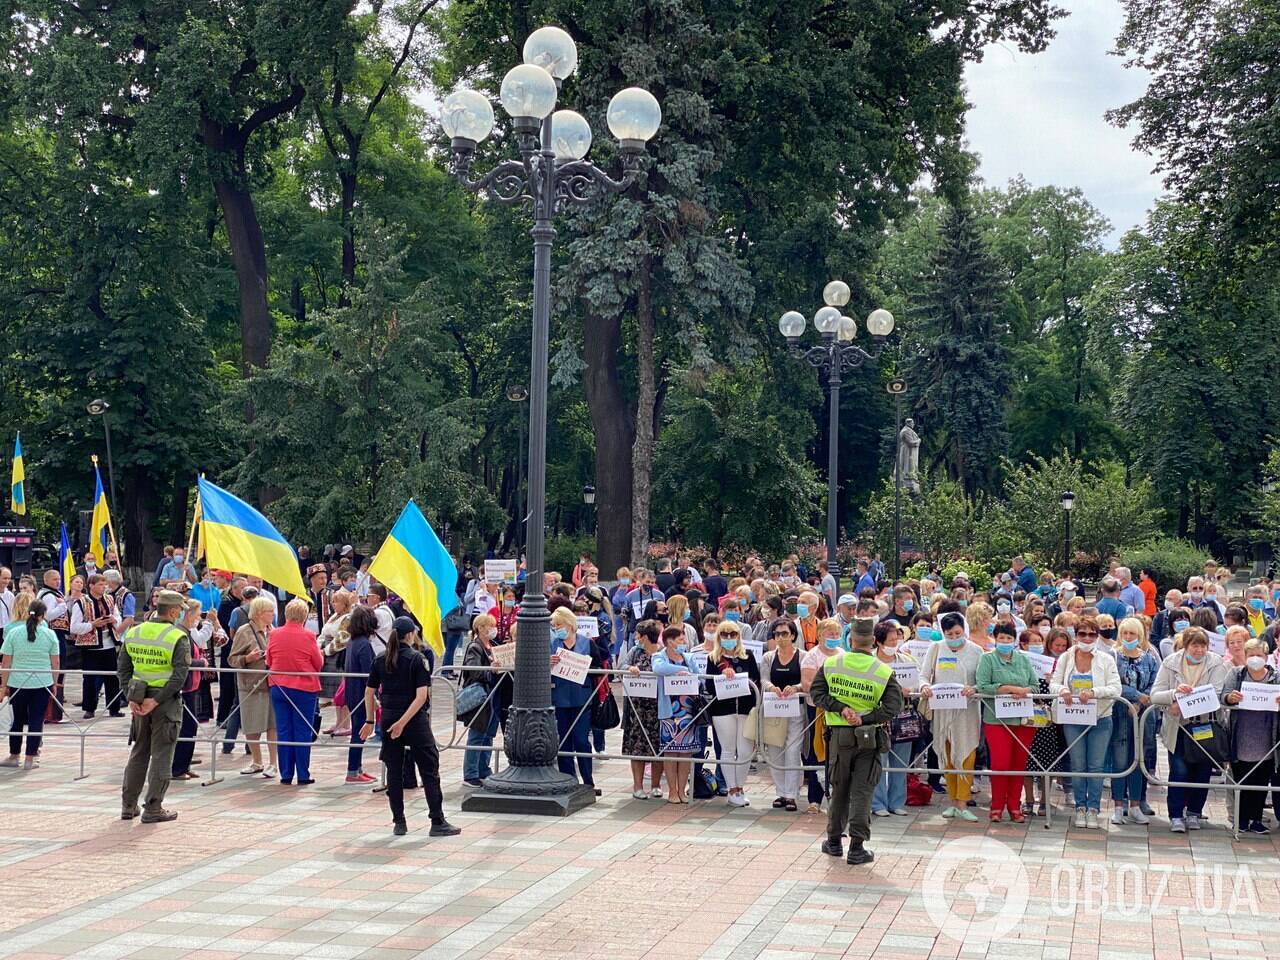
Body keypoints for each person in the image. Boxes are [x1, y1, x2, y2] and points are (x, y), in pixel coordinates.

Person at [811, 616, 904, 865]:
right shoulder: (882, 671)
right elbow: (894, 706)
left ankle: (833, 842)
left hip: (839, 736)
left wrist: (841, 708)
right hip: (869, 736)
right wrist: (865, 718)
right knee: (862, 790)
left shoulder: (831, 663)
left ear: (850, 640)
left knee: (839, 787)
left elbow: (816, 693)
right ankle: (857, 847)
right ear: (874, 641)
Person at [361, 617, 460, 837]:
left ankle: (399, 821)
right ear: (410, 635)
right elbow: (421, 695)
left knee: (394, 771)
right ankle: (437, 820)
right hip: (414, 721)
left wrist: (370, 721)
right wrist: (403, 722)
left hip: (389, 717)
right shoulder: (417, 659)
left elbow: (369, 692)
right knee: (429, 769)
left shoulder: (381, 659)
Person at [117, 590, 192, 822]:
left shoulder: (135, 631)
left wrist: (130, 697)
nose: (180, 614)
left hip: (139, 700)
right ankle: (153, 807)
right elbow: (180, 676)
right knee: (162, 755)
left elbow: (123, 668)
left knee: (139, 752)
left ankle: (128, 806)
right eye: (180, 610)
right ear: (172, 611)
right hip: (165, 702)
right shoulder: (177, 636)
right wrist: (156, 700)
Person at [1151, 626, 1231, 832]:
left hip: (1205, 725)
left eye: (1203, 645)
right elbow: (1156, 694)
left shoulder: (1215, 662)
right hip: (1178, 727)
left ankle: (1195, 812)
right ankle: (1176, 815)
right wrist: (1174, 695)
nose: (1199, 650)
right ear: (1186, 646)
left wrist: (1185, 703)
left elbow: (1215, 692)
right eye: (1195, 645)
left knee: (1202, 770)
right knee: (1179, 770)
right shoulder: (1170, 663)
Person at [1049, 616, 1122, 829]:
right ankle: (1080, 807)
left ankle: (1093, 808)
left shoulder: (1107, 659)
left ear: (1097, 636)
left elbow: (1115, 688)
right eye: (1082, 633)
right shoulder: (1065, 657)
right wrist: (1063, 690)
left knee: (1096, 766)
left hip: (1100, 718)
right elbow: (1054, 682)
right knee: (1078, 764)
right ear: (1076, 635)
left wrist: (1094, 692)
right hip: (1073, 717)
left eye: (1092, 634)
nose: (1087, 638)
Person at [919, 611, 983, 821]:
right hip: (943, 710)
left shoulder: (977, 651)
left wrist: (973, 689)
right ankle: (952, 800)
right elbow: (923, 674)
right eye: (950, 633)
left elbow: (982, 680)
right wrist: (925, 686)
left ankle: (963, 801)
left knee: (966, 754)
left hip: (967, 712)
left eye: (958, 632)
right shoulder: (936, 648)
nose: (954, 637)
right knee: (946, 754)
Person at [976, 621, 1039, 822]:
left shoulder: (1023, 659)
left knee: (1018, 764)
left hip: (1022, 719)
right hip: (997, 720)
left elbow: (1035, 686)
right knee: (1001, 764)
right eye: (1001, 637)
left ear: (1014, 641)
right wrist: (1004, 688)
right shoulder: (987, 659)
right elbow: (983, 686)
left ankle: (1014, 806)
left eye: (1009, 638)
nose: (1005, 641)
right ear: (995, 638)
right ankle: (997, 806)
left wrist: (1025, 691)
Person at [1223, 638, 1280, 834]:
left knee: (1261, 780)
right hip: (1241, 735)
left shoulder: (1275, 677)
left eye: (1259, 655)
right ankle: (1240, 820)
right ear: (1245, 657)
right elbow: (1224, 694)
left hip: (1266, 737)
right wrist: (1230, 698)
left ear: (1266, 657)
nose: (1255, 659)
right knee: (1241, 779)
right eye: (1251, 655)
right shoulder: (1236, 674)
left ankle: (1256, 819)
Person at [265, 598, 323, 785]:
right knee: (302, 731)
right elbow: (318, 663)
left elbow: (269, 659)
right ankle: (303, 774)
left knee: (283, 730)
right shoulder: (308, 636)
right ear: (304, 616)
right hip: (304, 688)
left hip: (278, 686)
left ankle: (286, 773)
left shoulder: (275, 634)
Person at [706, 615, 760, 807]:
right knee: (728, 749)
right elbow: (709, 685)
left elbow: (756, 681)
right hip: (723, 710)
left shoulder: (748, 656)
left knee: (745, 751)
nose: (729, 637)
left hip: (745, 708)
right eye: (724, 634)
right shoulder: (713, 658)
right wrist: (723, 676)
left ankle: (740, 785)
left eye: (733, 634)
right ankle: (732, 788)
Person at [1110, 617, 1159, 824]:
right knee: (1120, 760)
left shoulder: (1149, 659)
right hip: (1120, 713)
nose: (1129, 637)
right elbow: (1114, 683)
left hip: (1143, 715)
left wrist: (1142, 701)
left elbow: (1155, 684)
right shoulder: (1113, 657)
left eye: (1133, 634)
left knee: (1139, 760)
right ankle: (1118, 806)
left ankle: (1136, 805)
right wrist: (1135, 696)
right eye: (1125, 633)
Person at [0, 597, 59, 769]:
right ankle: (30, 758)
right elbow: (55, 663)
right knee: (36, 719)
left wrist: (4, 685)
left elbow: (6, 662)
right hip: (42, 682)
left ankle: (14, 755)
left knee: (17, 719)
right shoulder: (49, 634)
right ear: (44, 615)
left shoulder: (14, 633)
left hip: (18, 682)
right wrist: (54, 683)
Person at [550, 606, 600, 795]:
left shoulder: (587, 643)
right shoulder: (553, 644)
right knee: (563, 741)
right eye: (554, 626)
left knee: (582, 740)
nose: (557, 629)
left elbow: (599, 665)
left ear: (569, 623)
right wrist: (549, 662)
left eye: (559, 625)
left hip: (582, 697)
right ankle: (568, 779)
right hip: (560, 697)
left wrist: (585, 665)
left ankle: (588, 782)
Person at [229, 596, 279, 778]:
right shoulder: (244, 631)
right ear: (259, 613)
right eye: (269, 611)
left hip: (270, 685)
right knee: (251, 725)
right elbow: (232, 659)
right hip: (250, 685)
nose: (273, 614)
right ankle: (257, 761)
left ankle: (273, 763)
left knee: (272, 725)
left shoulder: (273, 631)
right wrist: (247, 659)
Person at [869, 620, 915, 818]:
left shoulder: (906, 660)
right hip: (877, 716)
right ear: (878, 642)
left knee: (900, 761)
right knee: (878, 760)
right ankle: (877, 802)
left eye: (897, 639)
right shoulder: (870, 660)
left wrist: (911, 690)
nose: (894, 644)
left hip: (903, 715)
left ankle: (897, 801)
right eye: (890, 640)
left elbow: (916, 681)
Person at [761, 618, 806, 812]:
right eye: (777, 634)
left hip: (796, 708)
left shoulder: (803, 656)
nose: (781, 637)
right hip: (774, 708)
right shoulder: (769, 657)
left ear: (793, 635)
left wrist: (796, 687)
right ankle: (780, 792)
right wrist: (771, 687)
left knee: (793, 749)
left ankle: (791, 794)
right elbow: (763, 678)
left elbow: (808, 680)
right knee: (775, 749)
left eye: (785, 633)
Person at [651, 624, 698, 803]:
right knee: (670, 752)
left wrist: (688, 672)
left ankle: (682, 789)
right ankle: (672, 790)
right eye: (680, 639)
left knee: (685, 753)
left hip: (687, 711)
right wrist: (680, 671)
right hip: (669, 711)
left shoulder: (689, 657)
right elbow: (658, 669)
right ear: (670, 642)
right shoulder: (659, 656)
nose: (683, 642)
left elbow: (698, 676)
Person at [70, 573, 124, 718]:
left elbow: (118, 616)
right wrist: (93, 624)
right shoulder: (81, 603)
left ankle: (114, 707)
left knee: (112, 678)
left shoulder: (110, 599)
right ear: (91, 586)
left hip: (109, 644)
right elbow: (74, 627)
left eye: (104, 584)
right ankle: (90, 708)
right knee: (90, 679)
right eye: (100, 584)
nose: (103, 587)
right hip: (91, 646)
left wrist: (113, 619)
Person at [170, 600, 212, 781]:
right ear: (189, 614)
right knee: (185, 730)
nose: (199, 617)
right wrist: (200, 663)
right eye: (197, 614)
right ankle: (177, 768)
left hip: (193, 686)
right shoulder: (180, 633)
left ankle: (184, 765)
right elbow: (181, 661)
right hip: (184, 687)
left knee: (191, 728)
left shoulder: (187, 632)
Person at [623, 619, 663, 799]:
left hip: (658, 707)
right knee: (637, 747)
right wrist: (630, 668)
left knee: (659, 747)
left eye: (638, 635)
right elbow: (621, 667)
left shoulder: (662, 652)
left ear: (645, 637)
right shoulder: (634, 652)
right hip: (637, 708)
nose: (635, 638)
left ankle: (656, 785)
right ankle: (638, 786)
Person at [341, 605, 381, 784]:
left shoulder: (353, 642)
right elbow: (369, 674)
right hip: (361, 694)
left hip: (352, 692)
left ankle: (357, 767)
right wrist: (376, 698)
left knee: (359, 730)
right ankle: (352, 770)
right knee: (360, 731)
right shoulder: (364, 644)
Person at [460, 612, 500, 786]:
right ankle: (471, 774)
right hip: (480, 696)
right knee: (477, 734)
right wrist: (489, 669)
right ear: (480, 628)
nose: (493, 629)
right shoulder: (475, 647)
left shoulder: (493, 645)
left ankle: (484, 769)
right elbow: (473, 670)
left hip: (492, 695)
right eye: (489, 625)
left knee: (488, 735)